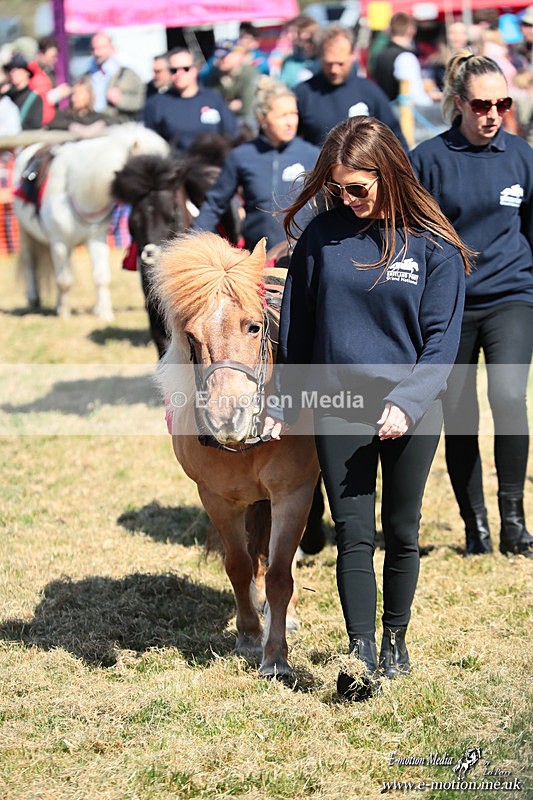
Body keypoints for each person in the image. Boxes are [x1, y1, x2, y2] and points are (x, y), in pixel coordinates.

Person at [263, 115, 470, 700]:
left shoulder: (434, 245)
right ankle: (360, 653)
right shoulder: (320, 239)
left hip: (414, 407)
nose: (347, 198)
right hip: (338, 402)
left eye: (359, 187)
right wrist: (284, 398)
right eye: (338, 188)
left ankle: (396, 639)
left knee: (401, 530)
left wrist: (406, 403)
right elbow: (297, 332)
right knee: (354, 532)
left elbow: (442, 340)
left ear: (390, 173)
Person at [410, 52, 533, 559]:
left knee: (507, 396)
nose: (492, 114)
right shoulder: (427, 159)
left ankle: (514, 522)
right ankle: (475, 528)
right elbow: (413, 237)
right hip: (451, 305)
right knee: (459, 414)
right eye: (482, 104)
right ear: (458, 102)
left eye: (502, 103)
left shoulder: (522, 155)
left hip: (512, 297)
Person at [193, 77, 319, 250]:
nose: (290, 122)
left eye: (294, 113)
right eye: (282, 116)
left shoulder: (312, 155)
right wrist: (191, 242)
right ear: (262, 119)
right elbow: (214, 204)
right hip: (258, 258)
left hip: (304, 253)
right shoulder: (242, 156)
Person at [294, 25, 408, 149]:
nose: (334, 70)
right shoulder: (303, 94)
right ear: (320, 57)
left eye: (340, 63)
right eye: (329, 63)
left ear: (352, 55)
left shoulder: (370, 91)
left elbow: (396, 139)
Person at [143, 47, 237, 154]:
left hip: (212, 165)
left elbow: (230, 133)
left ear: (195, 69)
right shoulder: (156, 104)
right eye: (174, 70)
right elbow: (149, 144)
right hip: (177, 166)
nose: (179, 73)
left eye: (186, 69)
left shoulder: (213, 98)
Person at [373, 12, 434, 106]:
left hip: (386, 111)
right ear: (411, 30)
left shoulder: (380, 55)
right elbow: (417, 98)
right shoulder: (406, 57)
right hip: (403, 115)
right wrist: (432, 100)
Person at [205, 39, 261, 131]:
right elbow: (211, 106)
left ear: (237, 55)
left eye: (225, 56)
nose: (221, 60)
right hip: (223, 123)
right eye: (219, 57)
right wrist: (230, 106)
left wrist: (224, 106)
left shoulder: (250, 74)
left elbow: (247, 108)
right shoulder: (214, 75)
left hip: (247, 124)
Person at [87, 31, 145, 120]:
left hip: (116, 125)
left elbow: (141, 101)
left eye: (101, 48)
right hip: (92, 123)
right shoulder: (87, 76)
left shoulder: (127, 74)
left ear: (112, 48)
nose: (97, 53)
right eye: (94, 49)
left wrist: (121, 100)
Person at [45, 75, 114, 136]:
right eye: (74, 94)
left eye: (79, 94)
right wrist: (72, 126)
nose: (74, 98)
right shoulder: (65, 116)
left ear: (89, 95)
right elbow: (51, 121)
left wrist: (100, 125)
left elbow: (113, 120)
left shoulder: (97, 117)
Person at [28, 36, 71, 125]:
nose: (54, 60)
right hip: (38, 120)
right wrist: (57, 94)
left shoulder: (49, 72)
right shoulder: (30, 73)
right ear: (40, 54)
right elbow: (32, 100)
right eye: (52, 57)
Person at [2, 53, 43, 130]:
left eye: (16, 69)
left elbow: (35, 126)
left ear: (26, 72)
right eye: (11, 70)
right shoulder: (7, 96)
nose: (12, 73)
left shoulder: (35, 98)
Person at [279, 15, 320, 89]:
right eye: (287, 32)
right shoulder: (289, 61)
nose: (289, 36)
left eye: (293, 32)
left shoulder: (321, 60)